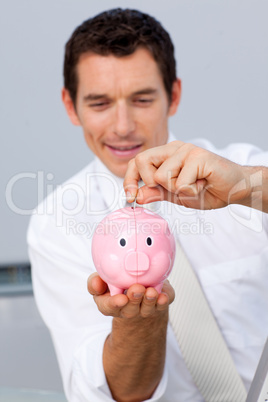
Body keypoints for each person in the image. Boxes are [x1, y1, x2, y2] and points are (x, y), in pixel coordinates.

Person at [27, 8, 268, 402]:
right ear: (71, 106)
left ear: (173, 95)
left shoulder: (242, 171)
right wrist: (136, 324)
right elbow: (108, 394)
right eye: (100, 103)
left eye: (141, 99)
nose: (122, 126)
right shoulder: (56, 224)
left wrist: (246, 186)